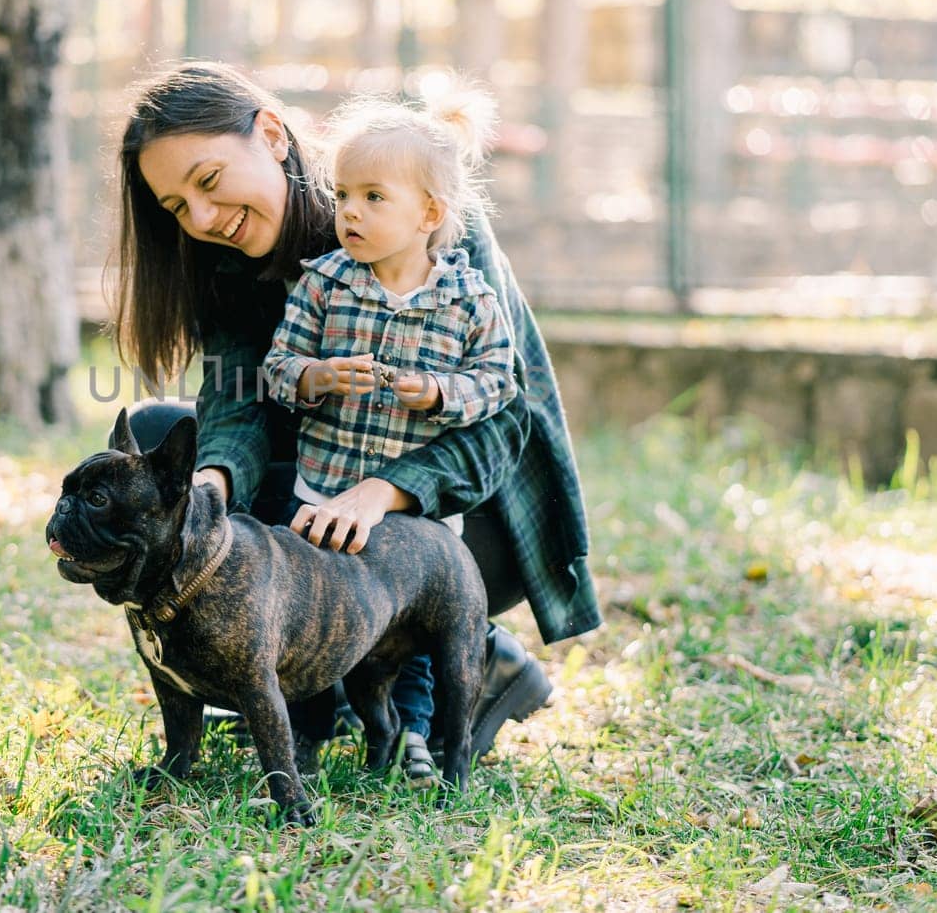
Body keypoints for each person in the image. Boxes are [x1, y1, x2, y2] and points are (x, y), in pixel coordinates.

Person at [110, 61, 600, 780]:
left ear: (271, 134)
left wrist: (384, 493)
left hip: (467, 525)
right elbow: (238, 402)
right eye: (178, 208)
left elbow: (500, 423)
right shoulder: (232, 269)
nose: (203, 218)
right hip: (329, 499)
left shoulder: (414, 205)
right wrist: (210, 482)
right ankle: (304, 675)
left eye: (208, 181)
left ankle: (473, 659)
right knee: (158, 442)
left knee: (361, 516)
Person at [258, 88, 518, 780]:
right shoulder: (324, 284)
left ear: (429, 214)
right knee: (309, 612)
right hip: (323, 488)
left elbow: (498, 382)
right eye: (342, 193)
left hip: (415, 515)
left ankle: (413, 737)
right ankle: (304, 732)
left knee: (419, 629)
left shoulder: (468, 299)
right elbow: (278, 369)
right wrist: (317, 376)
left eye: (374, 197)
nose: (349, 212)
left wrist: (439, 392)